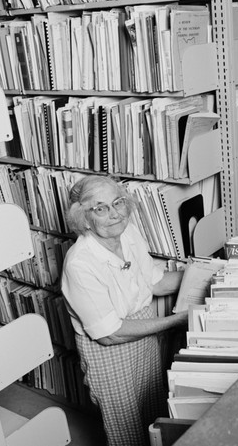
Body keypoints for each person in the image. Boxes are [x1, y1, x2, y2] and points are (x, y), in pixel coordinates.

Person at [61, 175, 187, 446]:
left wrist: (203, 274)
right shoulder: (79, 263)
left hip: (143, 337)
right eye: (101, 208)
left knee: (153, 413)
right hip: (111, 351)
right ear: (84, 218)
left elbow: (156, 281)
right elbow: (110, 334)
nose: (115, 214)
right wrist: (176, 320)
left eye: (118, 202)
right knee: (126, 430)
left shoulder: (127, 232)